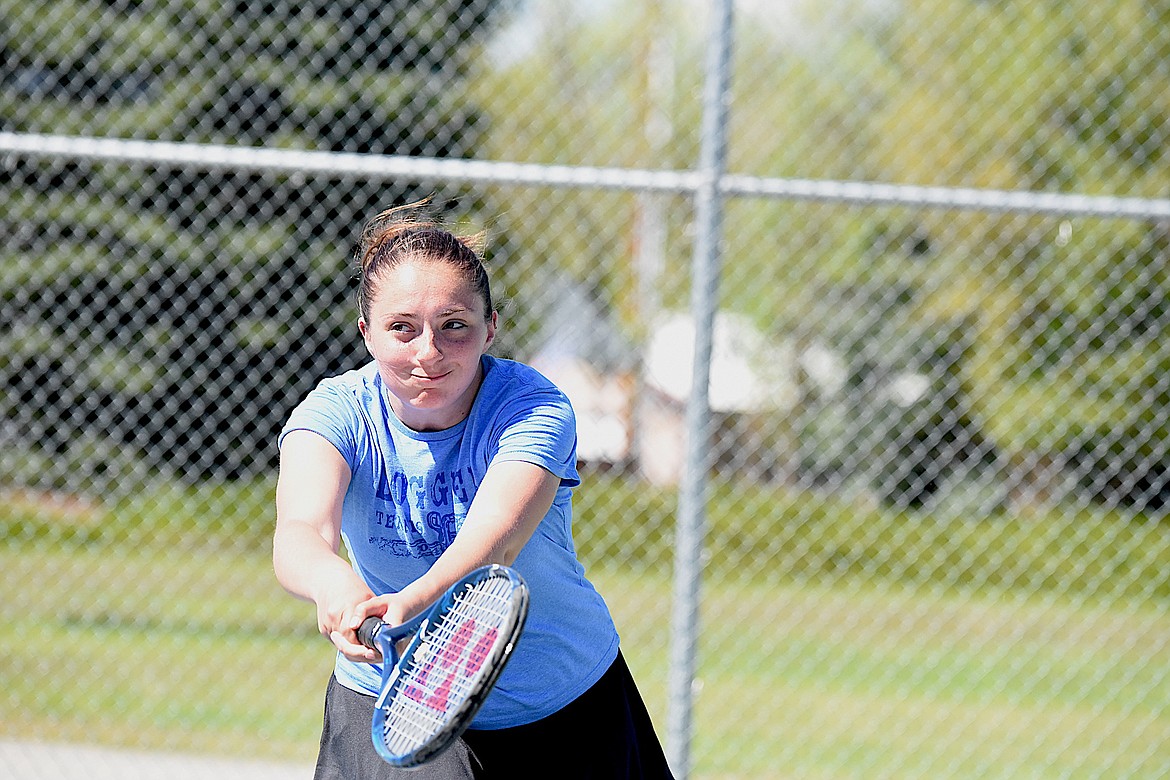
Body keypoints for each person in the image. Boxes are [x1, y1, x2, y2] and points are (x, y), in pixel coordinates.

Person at [273, 200, 674, 779]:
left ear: (491, 328)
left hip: (560, 710)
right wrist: (333, 586)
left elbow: (492, 545)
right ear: (366, 332)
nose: (428, 353)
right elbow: (301, 531)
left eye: (454, 326)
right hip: (391, 707)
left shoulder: (532, 408)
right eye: (402, 328)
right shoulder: (335, 413)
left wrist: (405, 607)